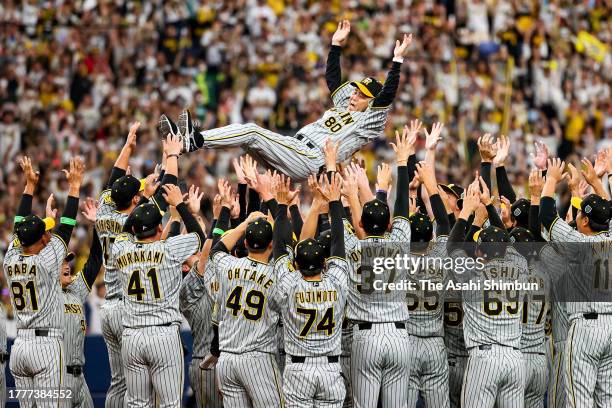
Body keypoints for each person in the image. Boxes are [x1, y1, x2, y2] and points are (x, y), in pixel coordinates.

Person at [169, 20, 412, 181]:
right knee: (247, 141)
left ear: (371, 102)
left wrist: (397, 62)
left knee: (252, 131)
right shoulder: (344, 104)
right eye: (356, 91)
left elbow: (388, 94)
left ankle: (194, 141)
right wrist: (336, 45)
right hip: (294, 151)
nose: (354, 95)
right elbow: (333, 80)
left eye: (361, 95)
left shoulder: (370, 120)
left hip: (310, 158)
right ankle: (178, 145)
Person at [96, 123, 179, 408]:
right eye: (139, 193)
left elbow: (115, 180)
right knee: (148, 393)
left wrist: (128, 145)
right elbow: (169, 191)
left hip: (108, 305)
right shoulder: (134, 225)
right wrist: (172, 156)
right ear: (134, 200)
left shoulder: (104, 211)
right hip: (130, 311)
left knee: (119, 384)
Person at [111, 183, 206, 408]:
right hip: (162, 335)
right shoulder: (169, 249)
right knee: (170, 404)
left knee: (136, 404)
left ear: (135, 230)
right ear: (159, 229)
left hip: (132, 336)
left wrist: (143, 200)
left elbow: (125, 232)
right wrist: (180, 206)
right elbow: (199, 237)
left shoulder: (121, 249)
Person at [4, 155, 85, 408]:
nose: (50, 235)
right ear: (40, 240)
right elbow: (68, 227)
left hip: (19, 348)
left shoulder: (10, 259)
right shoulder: (45, 261)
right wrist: (74, 187)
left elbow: (19, 228)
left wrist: (29, 186)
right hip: (46, 347)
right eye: (46, 232)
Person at [272, 172, 349, 407]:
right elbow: (338, 242)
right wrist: (335, 203)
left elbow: (278, 247)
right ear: (325, 263)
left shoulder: (290, 283)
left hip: (298, 370)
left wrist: (282, 205)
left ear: (296, 265)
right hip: (330, 368)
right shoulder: (336, 281)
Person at [208, 208, 284, 408]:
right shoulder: (276, 277)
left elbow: (217, 249)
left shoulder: (228, 266)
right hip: (258, 359)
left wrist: (245, 223)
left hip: (227, 360)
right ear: (271, 244)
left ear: (246, 243)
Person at [60, 198, 103, 408]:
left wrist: (93, 225)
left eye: (67, 260)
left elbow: (95, 260)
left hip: (80, 377)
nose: (66, 265)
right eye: (60, 263)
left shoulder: (76, 288)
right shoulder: (46, 293)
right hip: (55, 377)